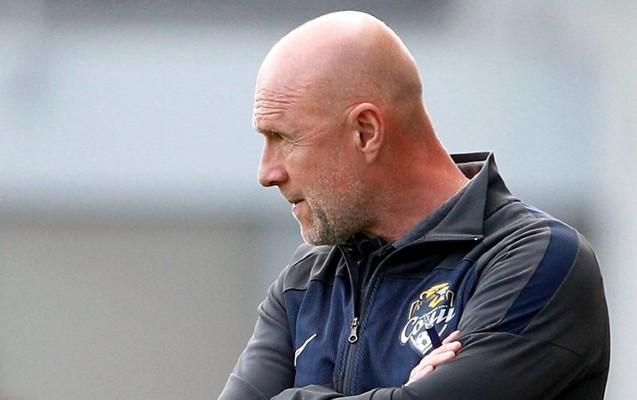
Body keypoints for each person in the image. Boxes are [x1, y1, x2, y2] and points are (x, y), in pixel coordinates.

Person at [219, 10, 610, 400]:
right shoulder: (305, 283)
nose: (267, 173)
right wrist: (402, 393)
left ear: (365, 132)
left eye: (283, 138)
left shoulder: (535, 260)